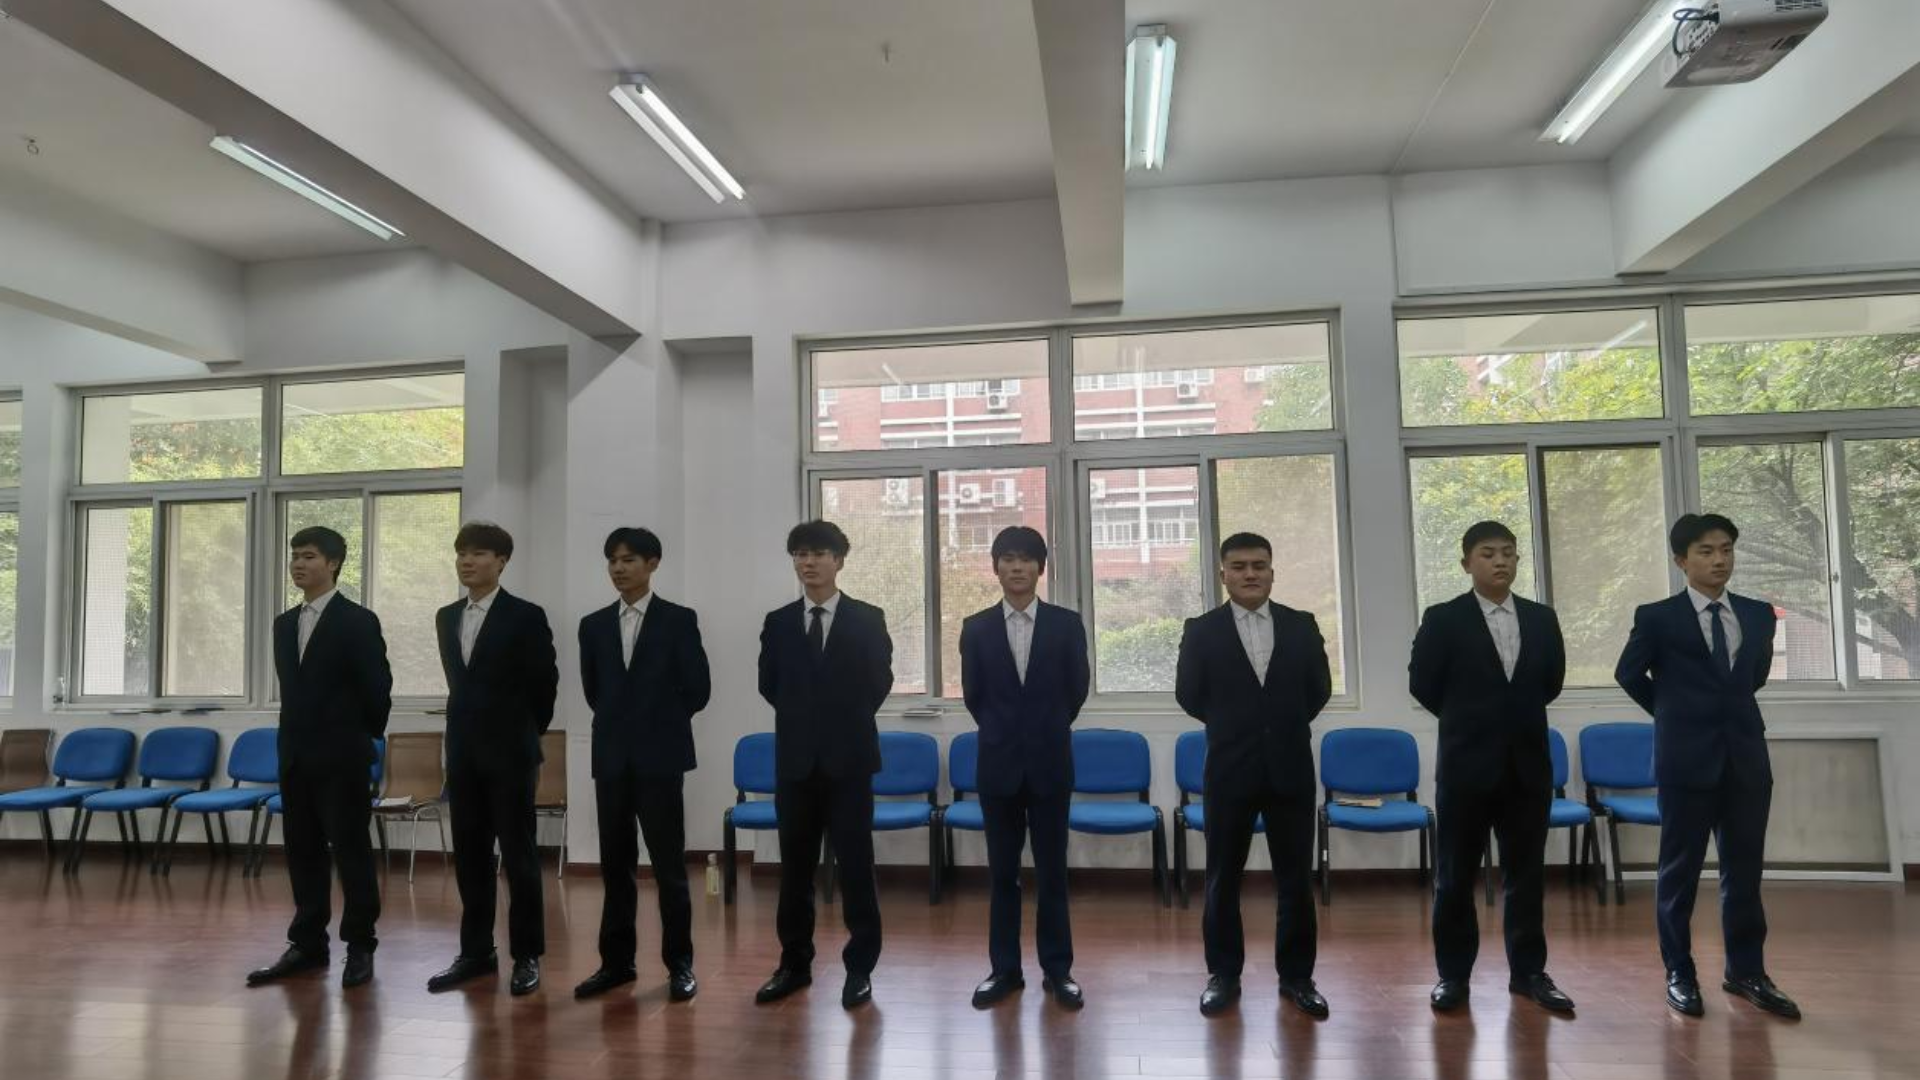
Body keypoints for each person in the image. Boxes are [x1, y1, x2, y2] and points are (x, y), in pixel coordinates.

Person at [1616, 513, 1799, 1020]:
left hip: (1745, 759)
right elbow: (1628, 673)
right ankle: (1680, 972)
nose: (1719, 560)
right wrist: (1672, 713)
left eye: (1726, 550)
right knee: (1680, 872)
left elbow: (1753, 676)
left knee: (1744, 873)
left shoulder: (1758, 615)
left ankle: (1747, 972)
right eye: (1706, 551)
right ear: (1682, 560)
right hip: (1684, 761)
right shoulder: (1658, 617)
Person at [1410, 521, 1573, 1013]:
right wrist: (1470, 719)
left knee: (1526, 876)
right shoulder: (1444, 618)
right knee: (1455, 877)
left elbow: (1550, 682)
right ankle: (1453, 976)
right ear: (1466, 563)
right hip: (1466, 767)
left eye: (1508, 552)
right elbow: (1423, 683)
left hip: (1527, 767)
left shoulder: (1541, 618)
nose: (1500, 561)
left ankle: (1529, 973)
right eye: (1488, 553)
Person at [1175, 532, 1332, 1020]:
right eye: (1239, 566)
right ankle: (1223, 975)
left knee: (1295, 879)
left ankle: (1298, 977)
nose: (1250, 574)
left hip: (1290, 768)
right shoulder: (1202, 630)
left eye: (1259, 565)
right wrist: (1234, 725)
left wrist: (1279, 726)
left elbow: (1318, 690)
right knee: (1223, 877)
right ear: (1223, 573)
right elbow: (1189, 694)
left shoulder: (1301, 626)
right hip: (1229, 769)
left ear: (1271, 571)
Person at [753, 520, 894, 1010]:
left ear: (839, 560)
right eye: (800, 554)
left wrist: (838, 722)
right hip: (796, 763)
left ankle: (860, 969)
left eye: (817, 553)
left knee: (856, 868)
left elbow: (878, 682)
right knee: (794, 870)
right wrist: (806, 721)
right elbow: (769, 684)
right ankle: (794, 964)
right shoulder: (778, 622)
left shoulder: (867, 618)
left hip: (850, 762)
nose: (807, 562)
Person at [247, 526, 392, 990]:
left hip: (343, 757)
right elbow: (294, 692)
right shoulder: (284, 624)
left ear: (333, 563)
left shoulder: (357, 620)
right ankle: (308, 943)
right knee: (303, 853)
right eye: (295, 556)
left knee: (352, 853)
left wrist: (356, 737)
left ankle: (360, 944)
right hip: (295, 757)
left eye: (309, 556)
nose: (298, 563)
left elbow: (377, 690)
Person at [574, 527, 712, 1001]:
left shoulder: (678, 619)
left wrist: (658, 722)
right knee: (615, 866)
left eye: (629, 560)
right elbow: (594, 690)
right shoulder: (593, 625)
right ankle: (616, 964)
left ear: (652, 564)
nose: (618, 568)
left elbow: (698, 689)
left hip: (661, 757)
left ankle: (680, 965)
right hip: (611, 757)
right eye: (612, 560)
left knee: (669, 867)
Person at [959, 526, 1091, 1010]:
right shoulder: (976, 628)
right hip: (998, 766)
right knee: (1002, 875)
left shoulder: (1066, 624)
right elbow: (975, 696)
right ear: (995, 568)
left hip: (1050, 764)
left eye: (1027, 559)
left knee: (1053, 873)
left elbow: (1076, 690)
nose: (1017, 567)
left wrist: (1043, 729)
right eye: (1008, 559)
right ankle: (1004, 970)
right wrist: (1005, 732)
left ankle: (1058, 970)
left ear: (1041, 568)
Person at [427, 522, 559, 997]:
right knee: (470, 856)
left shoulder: (525, 615)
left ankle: (527, 954)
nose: (467, 561)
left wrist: (522, 732)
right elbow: (459, 686)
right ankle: (476, 952)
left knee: (519, 858)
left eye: (479, 553)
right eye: (461, 552)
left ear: (501, 562)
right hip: (463, 753)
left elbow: (545, 685)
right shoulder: (446, 616)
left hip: (511, 753)